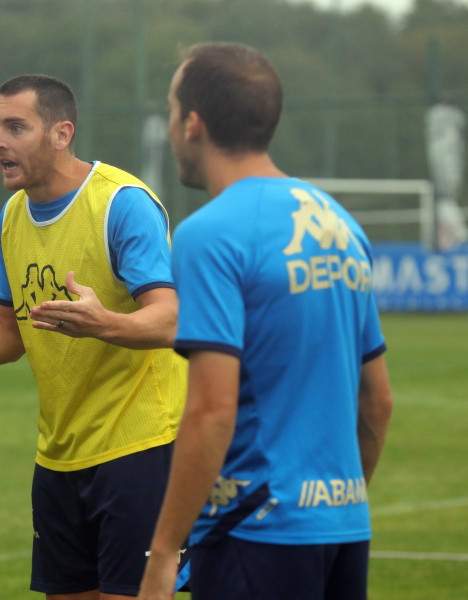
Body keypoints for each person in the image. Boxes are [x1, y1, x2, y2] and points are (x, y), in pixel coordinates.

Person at [0, 74, 188, 599]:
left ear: (62, 133)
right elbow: (7, 333)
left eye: (16, 127)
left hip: (139, 451)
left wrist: (103, 322)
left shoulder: (122, 204)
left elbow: (171, 320)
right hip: (58, 457)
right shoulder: (12, 216)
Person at [138, 42, 394, 600]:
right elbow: (377, 402)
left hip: (254, 529)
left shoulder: (211, 233)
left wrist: (162, 557)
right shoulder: (341, 225)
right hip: (343, 529)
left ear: (194, 123)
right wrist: (331, 510)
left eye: (171, 109)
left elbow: (211, 411)